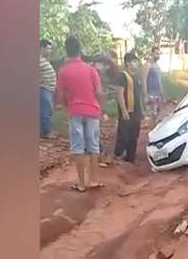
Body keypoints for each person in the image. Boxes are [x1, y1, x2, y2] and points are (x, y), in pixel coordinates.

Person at [56, 36, 106, 192]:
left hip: (75, 111)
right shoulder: (91, 70)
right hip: (92, 110)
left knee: (78, 146)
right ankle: (94, 180)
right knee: (93, 145)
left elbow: (62, 95)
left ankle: (81, 183)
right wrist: (101, 109)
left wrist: (67, 108)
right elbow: (99, 93)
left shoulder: (63, 71)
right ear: (80, 50)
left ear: (67, 50)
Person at [113, 53, 144, 164]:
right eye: (133, 62)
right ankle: (117, 155)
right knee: (124, 134)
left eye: (136, 61)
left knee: (134, 134)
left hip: (136, 111)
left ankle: (130, 157)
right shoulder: (122, 76)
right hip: (127, 111)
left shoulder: (136, 77)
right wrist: (124, 110)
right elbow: (119, 94)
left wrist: (141, 110)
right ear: (127, 63)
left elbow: (138, 94)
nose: (135, 64)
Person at [141, 47, 164, 125]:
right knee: (152, 115)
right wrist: (145, 95)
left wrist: (162, 93)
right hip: (150, 93)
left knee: (157, 114)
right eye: (156, 53)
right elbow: (143, 80)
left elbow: (159, 80)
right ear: (152, 54)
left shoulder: (157, 65)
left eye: (159, 54)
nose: (158, 55)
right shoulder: (147, 65)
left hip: (157, 93)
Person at [39, 39, 57, 139]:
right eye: (48, 49)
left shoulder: (44, 59)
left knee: (48, 110)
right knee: (45, 111)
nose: (50, 51)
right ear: (42, 48)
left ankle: (45, 131)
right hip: (44, 88)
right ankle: (46, 132)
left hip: (48, 89)